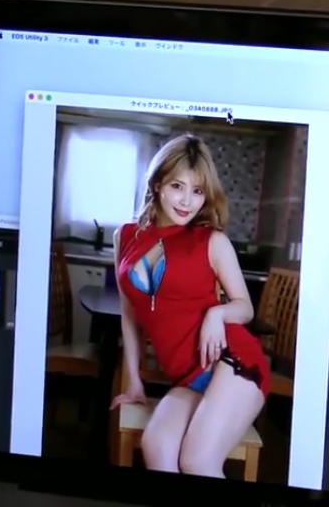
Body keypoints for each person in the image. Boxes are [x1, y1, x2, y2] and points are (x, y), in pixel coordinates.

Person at [110, 133, 270, 478]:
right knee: (157, 448)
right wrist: (134, 381)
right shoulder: (124, 236)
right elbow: (129, 315)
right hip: (186, 376)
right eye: (177, 187)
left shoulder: (212, 241)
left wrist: (217, 313)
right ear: (157, 185)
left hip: (233, 362)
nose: (187, 201)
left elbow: (245, 308)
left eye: (197, 191)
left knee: (197, 461)